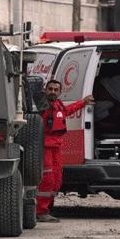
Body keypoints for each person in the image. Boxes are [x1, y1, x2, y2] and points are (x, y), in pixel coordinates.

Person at [37, 80, 94, 223]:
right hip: (44, 147)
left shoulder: (58, 105)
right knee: (47, 180)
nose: (53, 92)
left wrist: (83, 102)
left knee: (57, 180)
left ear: (60, 92)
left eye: (56, 90)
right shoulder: (41, 106)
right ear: (45, 90)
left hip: (56, 146)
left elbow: (67, 111)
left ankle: (46, 209)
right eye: (50, 89)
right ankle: (39, 211)